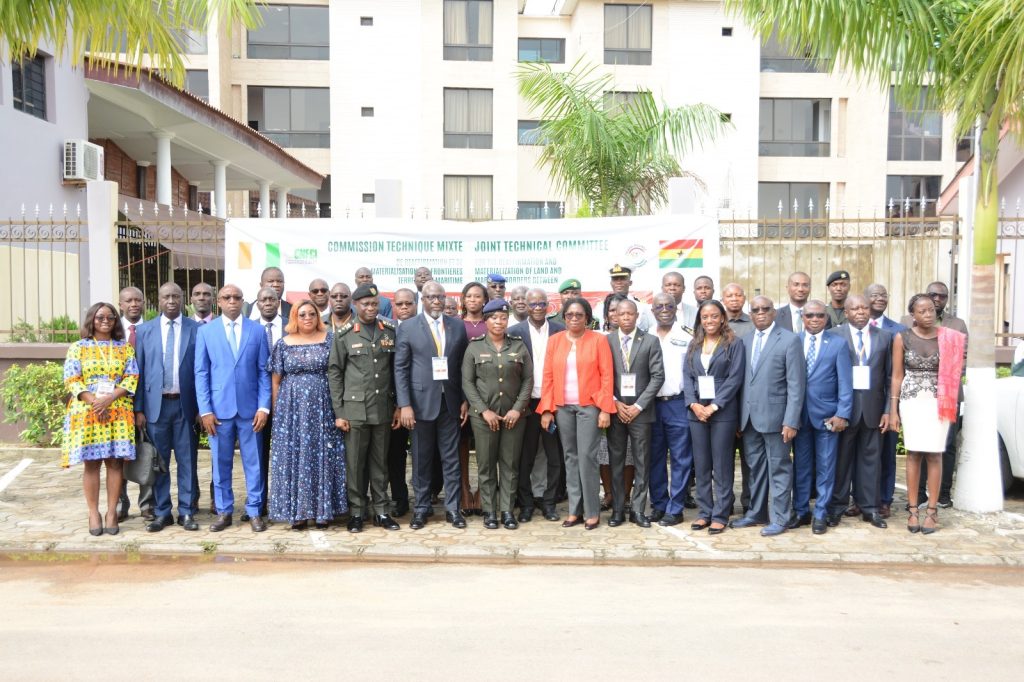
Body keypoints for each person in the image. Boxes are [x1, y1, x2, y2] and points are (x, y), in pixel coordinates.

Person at [195, 284, 271, 532]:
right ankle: (224, 511)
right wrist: (205, 410)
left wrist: (264, 407)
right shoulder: (206, 332)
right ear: (218, 301)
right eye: (227, 298)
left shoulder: (257, 331)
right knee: (220, 461)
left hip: (251, 411)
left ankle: (254, 511)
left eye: (237, 297)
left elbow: (263, 372)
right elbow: (201, 373)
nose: (232, 302)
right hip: (218, 411)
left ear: (243, 301)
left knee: (254, 463)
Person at [395, 280, 470, 530]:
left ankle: (453, 508)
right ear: (422, 300)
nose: (436, 301)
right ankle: (422, 508)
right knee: (421, 459)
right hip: (419, 404)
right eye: (430, 297)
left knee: (451, 459)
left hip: (450, 403)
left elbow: (463, 368)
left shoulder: (457, 327)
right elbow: (401, 368)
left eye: (440, 296)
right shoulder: (407, 327)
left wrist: (464, 400)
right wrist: (404, 404)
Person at [267, 300, 348, 529]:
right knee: (296, 456)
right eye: (302, 314)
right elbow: (275, 381)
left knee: (322, 455)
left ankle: (322, 511)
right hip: (291, 409)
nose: (307, 318)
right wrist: (278, 412)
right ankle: (298, 513)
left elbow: (339, 373)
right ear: (294, 317)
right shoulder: (283, 344)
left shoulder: (330, 340)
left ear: (318, 316)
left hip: (323, 405)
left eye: (312, 314)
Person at [538, 298, 616, 531]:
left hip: (589, 406)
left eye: (579, 315)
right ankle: (575, 510)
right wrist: (547, 409)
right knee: (570, 458)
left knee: (587, 458)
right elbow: (548, 376)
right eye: (570, 314)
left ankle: (592, 512)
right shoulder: (554, 342)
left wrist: (605, 409)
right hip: (562, 407)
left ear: (587, 318)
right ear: (563, 317)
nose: (574, 318)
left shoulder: (598, 340)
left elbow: (607, 376)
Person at [890, 294, 965, 534]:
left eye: (931, 310)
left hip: (939, 402)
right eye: (922, 311)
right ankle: (913, 510)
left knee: (935, 454)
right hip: (911, 402)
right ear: (913, 315)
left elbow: (955, 373)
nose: (928, 314)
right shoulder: (902, 337)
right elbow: (897, 375)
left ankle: (932, 511)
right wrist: (893, 409)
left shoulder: (948, 338)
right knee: (913, 454)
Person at [62, 302, 139, 536]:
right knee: (92, 463)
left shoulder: (124, 348)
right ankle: (93, 512)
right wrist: (95, 401)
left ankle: (111, 512)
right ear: (91, 320)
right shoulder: (78, 347)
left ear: (116, 321)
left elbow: (131, 377)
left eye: (111, 317)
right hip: (88, 411)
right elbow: (72, 379)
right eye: (100, 317)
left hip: (117, 410)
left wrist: (109, 399)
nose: (105, 321)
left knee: (115, 463)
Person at [328, 284, 400, 533]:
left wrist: (398, 405)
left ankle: (381, 511)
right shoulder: (345, 334)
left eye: (374, 304)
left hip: (382, 408)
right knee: (355, 464)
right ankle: (357, 512)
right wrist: (340, 412)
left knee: (380, 464)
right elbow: (335, 373)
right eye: (365, 304)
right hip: (354, 410)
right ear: (355, 305)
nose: (370, 308)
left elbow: (396, 370)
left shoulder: (389, 329)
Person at [731, 296, 805, 537]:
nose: (760, 313)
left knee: (779, 469)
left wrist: (791, 420)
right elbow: (742, 382)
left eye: (765, 309)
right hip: (749, 418)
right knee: (755, 469)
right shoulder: (745, 340)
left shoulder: (790, 340)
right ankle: (757, 512)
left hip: (777, 419)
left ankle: (781, 517)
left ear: (774, 313)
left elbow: (796, 384)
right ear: (749, 314)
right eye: (755, 310)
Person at [133, 282, 200, 532]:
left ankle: (186, 512)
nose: (171, 300)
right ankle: (163, 512)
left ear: (183, 300)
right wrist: (138, 409)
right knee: (158, 463)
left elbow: (201, 372)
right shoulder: (145, 331)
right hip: (155, 408)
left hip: (185, 407)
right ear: (158, 301)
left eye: (176, 296)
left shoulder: (196, 329)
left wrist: (200, 409)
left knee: (187, 462)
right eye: (166, 296)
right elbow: (137, 373)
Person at [462, 299, 534, 529]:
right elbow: (467, 382)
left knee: (510, 465)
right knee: (485, 465)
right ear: (486, 320)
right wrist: (484, 411)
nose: (499, 322)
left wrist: (517, 408)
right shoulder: (474, 347)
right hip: (484, 418)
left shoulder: (518, 346)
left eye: (503, 318)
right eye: (494, 318)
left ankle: (507, 511)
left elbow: (528, 380)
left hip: (514, 416)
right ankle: (489, 511)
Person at [828, 294, 892, 529]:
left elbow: (889, 378)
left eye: (864, 308)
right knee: (841, 461)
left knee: (871, 461)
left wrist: (888, 410)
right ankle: (837, 507)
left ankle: (870, 508)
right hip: (844, 410)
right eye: (855, 309)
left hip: (873, 410)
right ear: (846, 312)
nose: (861, 312)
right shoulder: (834, 336)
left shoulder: (884, 337)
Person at [683, 299, 745, 534]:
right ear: (700, 320)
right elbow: (687, 377)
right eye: (705, 317)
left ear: (722, 318)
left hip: (723, 412)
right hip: (697, 412)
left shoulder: (734, 343)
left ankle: (721, 513)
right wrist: (693, 404)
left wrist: (715, 406)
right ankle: (704, 512)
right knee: (701, 464)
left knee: (722, 465)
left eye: (714, 316)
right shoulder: (693, 344)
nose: (709, 320)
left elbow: (735, 378)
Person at [791, 300, 852, 535]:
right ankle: (801, 510)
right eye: (810, 316)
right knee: (802, 466)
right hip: (798, 415)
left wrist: (842, 413)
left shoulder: (837, 344)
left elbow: (846, 383)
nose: (814, 319)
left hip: (827, 416)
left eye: (819, 316)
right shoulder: (793, 341)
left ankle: (820, 513)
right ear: (803, 318)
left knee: (826, 466)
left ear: (826, 319)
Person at [606, 299, 664, 528]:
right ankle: (618, 510)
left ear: (637, 315)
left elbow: (658, 376)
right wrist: (615, 403)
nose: (627, 317)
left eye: (631, 314)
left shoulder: (650, 341)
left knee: (642, 462)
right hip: (616, 411)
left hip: (641, 412)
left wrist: (638, 406)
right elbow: (602, 374)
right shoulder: (607, 341)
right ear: (615, 317)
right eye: (622, 314)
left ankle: (638, 510)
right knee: (616, 462)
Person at [509, 288, 565, 522]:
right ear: (526, 307)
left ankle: (549, 501)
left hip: (554, 401)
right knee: (526, 455)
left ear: (548, 305)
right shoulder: (514, 332)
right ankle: (526, 502)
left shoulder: (560, 331)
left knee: (554, 456)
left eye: (542, 303)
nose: (538, 308)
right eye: (533, 304)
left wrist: (551, 406)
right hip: (526, 403)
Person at [647, 292, 694, 526]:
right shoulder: (645, 336)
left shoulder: (687, 336)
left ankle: (676, 508)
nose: (664, 309)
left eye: (669, 305)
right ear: (652, 310)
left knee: (680, 458)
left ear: (676, 309)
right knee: (654, 458)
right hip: (651, 406)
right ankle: (658, 504)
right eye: (659, 306)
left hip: (678, 403)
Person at [866, 283, 906, 518]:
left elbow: (897, 372)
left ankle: (884, 500)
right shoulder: (851, 327)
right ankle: (861, 498)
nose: (880, 298)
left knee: (887, 454)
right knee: (861, 454)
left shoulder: (897, 330)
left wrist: (893, 407)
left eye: (884, 295)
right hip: (861, 402)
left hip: (888, 402)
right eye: (875, 295)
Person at [116, 285, 152, 521]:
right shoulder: (110, 329)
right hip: (116, 405)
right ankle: (120, 503)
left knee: (147, 452)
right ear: (121, 304)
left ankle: (147, 504)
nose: (134, 304)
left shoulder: (151, 330)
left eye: (138, 300)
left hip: (147, 403)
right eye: (128, 301)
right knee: (117, 456)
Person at [253, 286, 285, 518]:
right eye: (263, 299)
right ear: (257, 302)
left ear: (278, 301)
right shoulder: (250, 328)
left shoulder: (291, 326)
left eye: (272, 299)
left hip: (289, 402)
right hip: (257, 403)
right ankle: (258, 503)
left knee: (286, 454)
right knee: (258, 454)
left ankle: (285, 502)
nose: (268, 303)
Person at [458, 281, 489, 514]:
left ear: (484, 300)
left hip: (488, 394)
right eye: (469, 296)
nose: (473, 300)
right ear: (463, 300)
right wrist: (463, 397)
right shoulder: (456, 325)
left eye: (477, 296)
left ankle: (482, 491)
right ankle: (464, 490)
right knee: (462, 443)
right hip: (461, 393)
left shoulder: (493, 325)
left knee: (485, 447)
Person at [386, 287, 417, 516]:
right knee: (395, 455)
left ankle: (427, 496)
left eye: (408, 303)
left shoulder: (425, 328)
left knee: (424, 454)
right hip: (395, 405)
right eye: (400, 304)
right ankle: (400, 498)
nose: (404, 307)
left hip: (424, 402)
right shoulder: (386, 331)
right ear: (393, 307)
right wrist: (398, 404)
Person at [608, 264, 653, 331]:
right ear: (611, 283)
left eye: (623, 278)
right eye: (615, 279)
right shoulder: (601, 308)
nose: (619, 282)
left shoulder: (643, 308)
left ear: (630, 282)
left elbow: (652, 332)